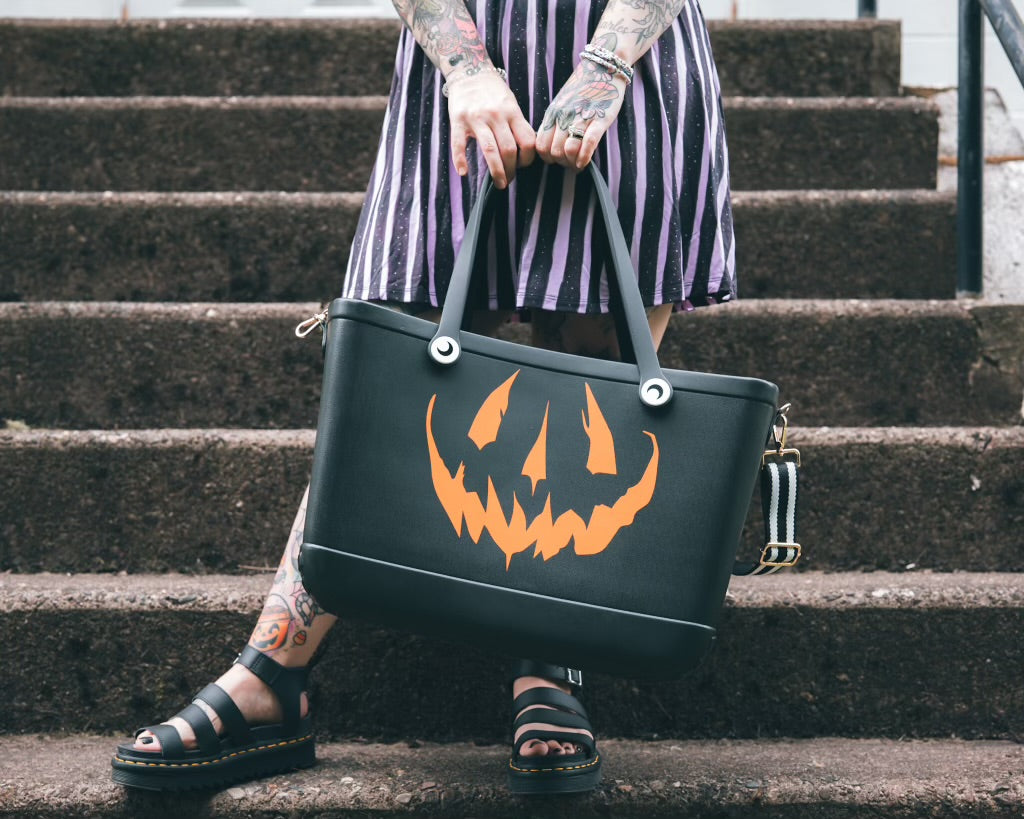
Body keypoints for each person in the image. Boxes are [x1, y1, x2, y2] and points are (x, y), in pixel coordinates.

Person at [111, 0, 733, 796]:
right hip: (459, 69)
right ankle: (271, 674)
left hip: (631, 64)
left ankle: (551, 664)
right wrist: (469, 69)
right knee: (399, 388)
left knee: (598, 378)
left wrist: (607, 65)